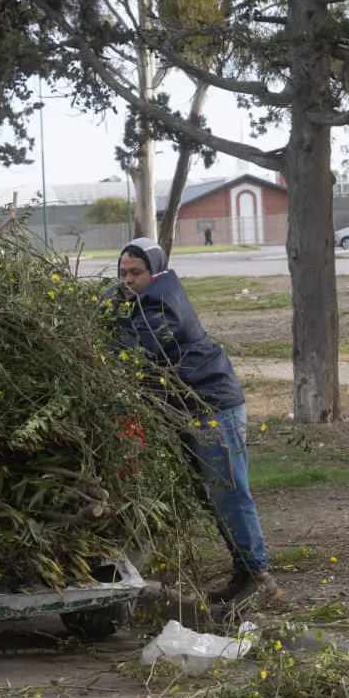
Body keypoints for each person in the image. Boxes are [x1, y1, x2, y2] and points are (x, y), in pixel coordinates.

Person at [111, 237, 280, 604]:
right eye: (122, 273)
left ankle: (258, 575)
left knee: (230, 494)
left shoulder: (162, 304)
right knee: (215, 496)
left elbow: (131, 350)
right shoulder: (141, 300)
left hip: (213, 407)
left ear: (154, 272)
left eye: (135, 272)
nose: (128, 280)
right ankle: (245, 570)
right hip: (192, 408)